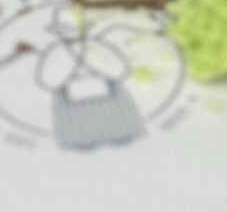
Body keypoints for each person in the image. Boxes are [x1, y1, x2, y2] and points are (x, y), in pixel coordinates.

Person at [31, 10, 145, 150]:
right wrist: (68, 70)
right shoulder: (56, 51)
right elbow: (48, 80)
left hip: (108, 92)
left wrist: (96, 65)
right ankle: (80, 141)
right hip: (70, 97)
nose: (69, 33)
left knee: (117, 119)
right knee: (78, 124)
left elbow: (118, 69)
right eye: (64, 30)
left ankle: (123, 132)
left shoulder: (96, 45)